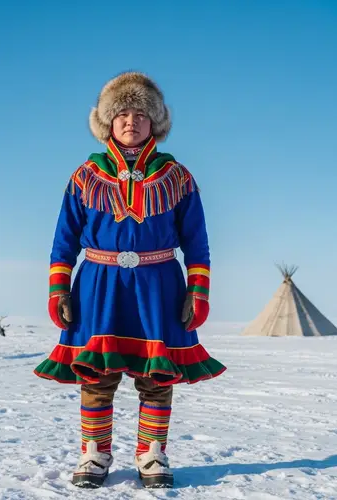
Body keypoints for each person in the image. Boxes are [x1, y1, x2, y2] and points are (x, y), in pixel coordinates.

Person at [34, 72, 226, 489]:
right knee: (97, 373)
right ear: (107, 122)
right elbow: (63, 238)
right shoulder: (86, 174)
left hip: (159, 285)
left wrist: (198, 291)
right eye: (121, 113)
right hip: (98, 284)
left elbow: (198, 242)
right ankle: (95, 454)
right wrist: (58, 288)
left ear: (155, 122)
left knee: (156, 374)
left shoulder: (176, 175)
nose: (130, 121)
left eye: (140, 113)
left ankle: (152, 454)